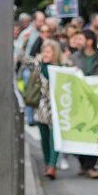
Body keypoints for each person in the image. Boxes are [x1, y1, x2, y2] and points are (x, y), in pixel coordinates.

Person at [25, 40, 64, 179]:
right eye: (44, 51)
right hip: (41, 106)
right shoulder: (39, 66)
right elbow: (25, 60)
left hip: (56, 106)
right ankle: (47, 163)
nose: (45, 54)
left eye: (48, 52)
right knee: (44, 137)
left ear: (55, 53)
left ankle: (52, 165)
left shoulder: (62, 67)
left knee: (55, 136)